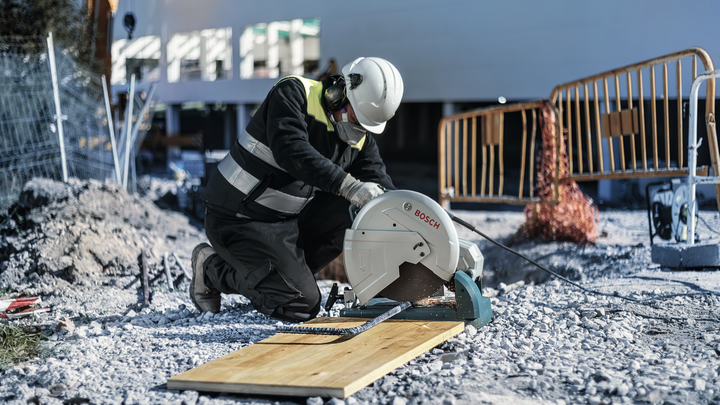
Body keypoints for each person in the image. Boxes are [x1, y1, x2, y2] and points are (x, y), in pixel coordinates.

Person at [191, 57, 404, 322]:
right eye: (356, 119)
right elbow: (290, 150)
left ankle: (284, 276)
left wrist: (411, 224)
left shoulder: (360, 139)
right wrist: (349, 186)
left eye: (364, 126)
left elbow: (381, 188)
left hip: (285, 222)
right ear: (339, 93)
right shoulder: (293, 94)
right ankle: (211, 269)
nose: (358, 130)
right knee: (300, 304)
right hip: (236, 217)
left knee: (359, 209)